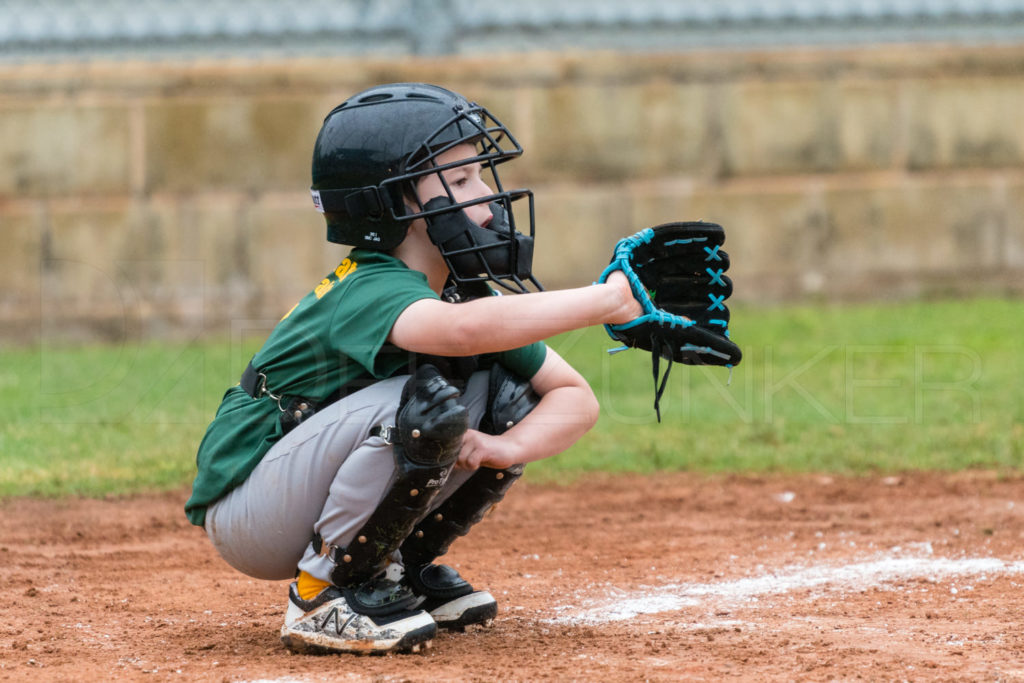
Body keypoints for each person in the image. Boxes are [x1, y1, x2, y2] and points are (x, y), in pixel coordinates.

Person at [185, 82, 642, 655]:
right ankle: (317, 596)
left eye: (477, 176)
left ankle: (395, 569)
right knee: (421, 398)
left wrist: (503, 447)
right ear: (397, 201)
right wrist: (608, 300)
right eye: (459, 181)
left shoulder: (457, 294)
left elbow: (575, 398)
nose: (486, 197)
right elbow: (461, 332)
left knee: (505, 396)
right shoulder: (367, 284)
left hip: (299, 491)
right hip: (251, 512)